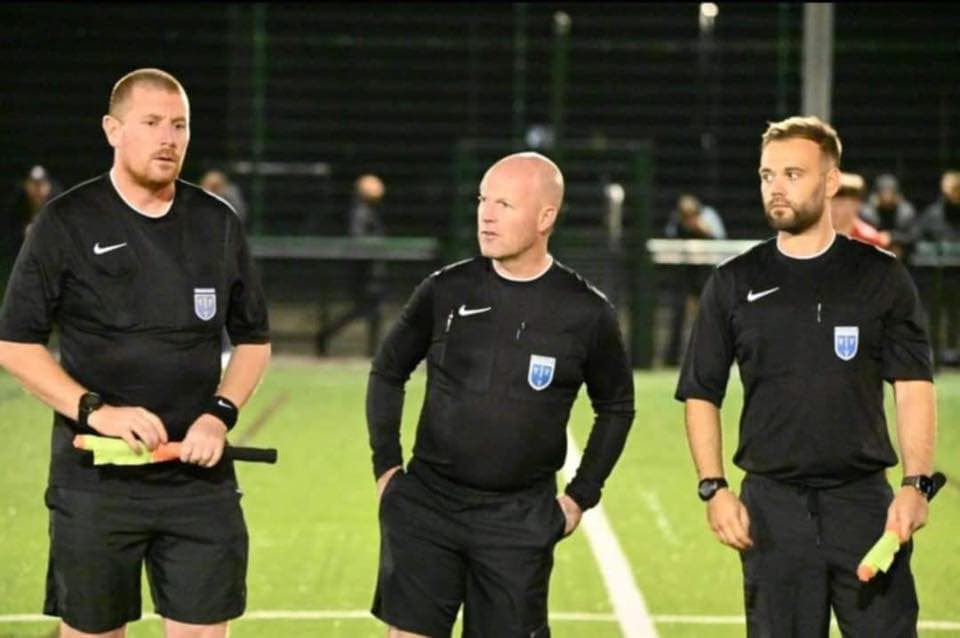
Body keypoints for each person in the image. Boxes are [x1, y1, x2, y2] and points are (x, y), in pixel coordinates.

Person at [0, 68, 271, 638]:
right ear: (113, 130)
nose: (169, 137)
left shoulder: (217, 224)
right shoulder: (66, 222)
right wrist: (97, 411)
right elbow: (15, 344)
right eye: (151, 123)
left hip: (198, 483)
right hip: (96, 482)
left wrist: (219, 416)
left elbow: (253, 341)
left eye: (180, 125)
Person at [676, 116, 937, 636]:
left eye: (793, 173)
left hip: (863, 506)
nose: (776, 186)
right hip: (771, 510)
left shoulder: (881, 277)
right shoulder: (733, 282)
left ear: (831, 181)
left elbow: (912, 387)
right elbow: (701, 392)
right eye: (767, 175)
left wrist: (916, 484)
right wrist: (714, 488)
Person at [367, 152, 635, 637]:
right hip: (428, 506)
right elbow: (388, 371)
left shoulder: (586, 312)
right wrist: (386, 466)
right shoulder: (444, 290)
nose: (486, 215)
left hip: (519, 518)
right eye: (483, 200)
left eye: (505, 204)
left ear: (545, 217)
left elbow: (616, 407)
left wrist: (579, 497)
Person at [662, 193, 726, 366]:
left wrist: (703, 229)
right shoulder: (677, 221)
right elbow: (669, 241)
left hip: (707, 275)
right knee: (681, 317)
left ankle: (716, 359)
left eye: (692, 216)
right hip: (686, 276)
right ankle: (674, 360)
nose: (689, 220)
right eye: (686, 217)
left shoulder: (709, 216)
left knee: (712, 318)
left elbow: (721, 243)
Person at [917, 170, 960, 364]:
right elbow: (918, 240)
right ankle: (936, 356)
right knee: (934, 317)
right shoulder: (932, 214)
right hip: (936, 277)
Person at [861, 172, 919, 259]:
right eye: (884, 193)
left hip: (901, 257)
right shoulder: (867, 213)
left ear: (897, 195)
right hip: (872, 255)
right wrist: (879, 240)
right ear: (876, 195)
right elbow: (860, 238)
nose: (887, 197)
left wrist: (892, 238)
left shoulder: (906, 212)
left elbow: (913, 236)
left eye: (890, 193)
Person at [830, 172, 891, 248]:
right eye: (829, 203)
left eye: (840, 204)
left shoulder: (869, 241)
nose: (832, 209)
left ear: (856, 205)